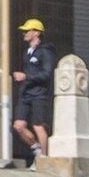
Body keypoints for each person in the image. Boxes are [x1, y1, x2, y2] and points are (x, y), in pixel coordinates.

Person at [9, 16, 54, 163]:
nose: (24, 33)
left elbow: (47, 74)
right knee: (18, 125)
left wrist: (26, 76)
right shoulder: (27, 52)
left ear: (37, 32)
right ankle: (36, 149)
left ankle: (44, 159)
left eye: (27, 31)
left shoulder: (45, 52)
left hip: (39, 94)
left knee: (38, 125)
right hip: (26, 94)